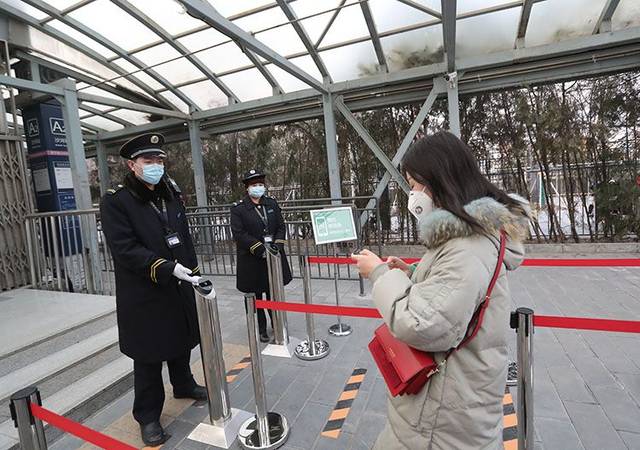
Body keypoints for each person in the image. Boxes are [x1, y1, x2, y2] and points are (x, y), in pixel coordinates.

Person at [352, 131, 531, 450]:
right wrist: (410, 273)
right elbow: (451, 293)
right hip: (456, 402)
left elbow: (421, 324)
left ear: (439, 180)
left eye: (414, 183)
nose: (412, 193)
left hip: (441, 417)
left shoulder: (467, 248)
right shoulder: (469, 235)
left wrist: (379, 273)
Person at [100, 133, 207, 446]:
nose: (156, 166)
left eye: (159, 160)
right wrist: (165, 266)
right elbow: (124, 249)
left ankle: (184, 384)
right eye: (149, 161)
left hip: (178, 283)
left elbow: (182, 236)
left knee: (181, 339)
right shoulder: (117, 201)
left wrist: (194, 272)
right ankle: (147, 416)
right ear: (133, 165)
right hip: (144, 290)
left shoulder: (169, 192)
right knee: (148, 356)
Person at [230, 169, 292, 343]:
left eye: (260, 184)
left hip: (273, 257)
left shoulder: (271, 204)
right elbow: (239, 233)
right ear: (247, 188)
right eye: (254, 185)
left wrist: (277, 246)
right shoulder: (239, 209)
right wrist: (259, 249)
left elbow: (281, 226)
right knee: (255, 296)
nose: (258, 187)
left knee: (274, 293)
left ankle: (278, 324)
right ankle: (261, 328)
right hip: (252, 259)